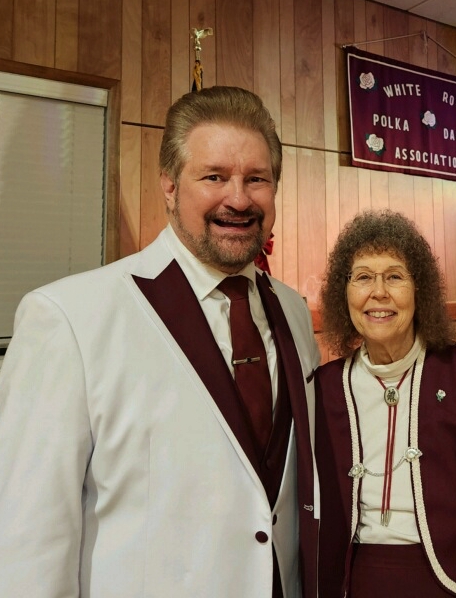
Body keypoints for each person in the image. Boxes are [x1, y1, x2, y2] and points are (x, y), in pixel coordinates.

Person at [0, 86, 320, 597]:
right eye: (213, 176)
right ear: (169, 187)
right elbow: (30, 539)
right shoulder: (69, 319)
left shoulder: (295, 313)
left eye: (256, 179)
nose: (238, 198)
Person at [315, 210, 456, 597]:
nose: (378, 292)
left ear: (421, 291)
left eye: (394, 276)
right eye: (363, 277)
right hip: (354, 581)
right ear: (342, 293)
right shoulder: (325, 388)